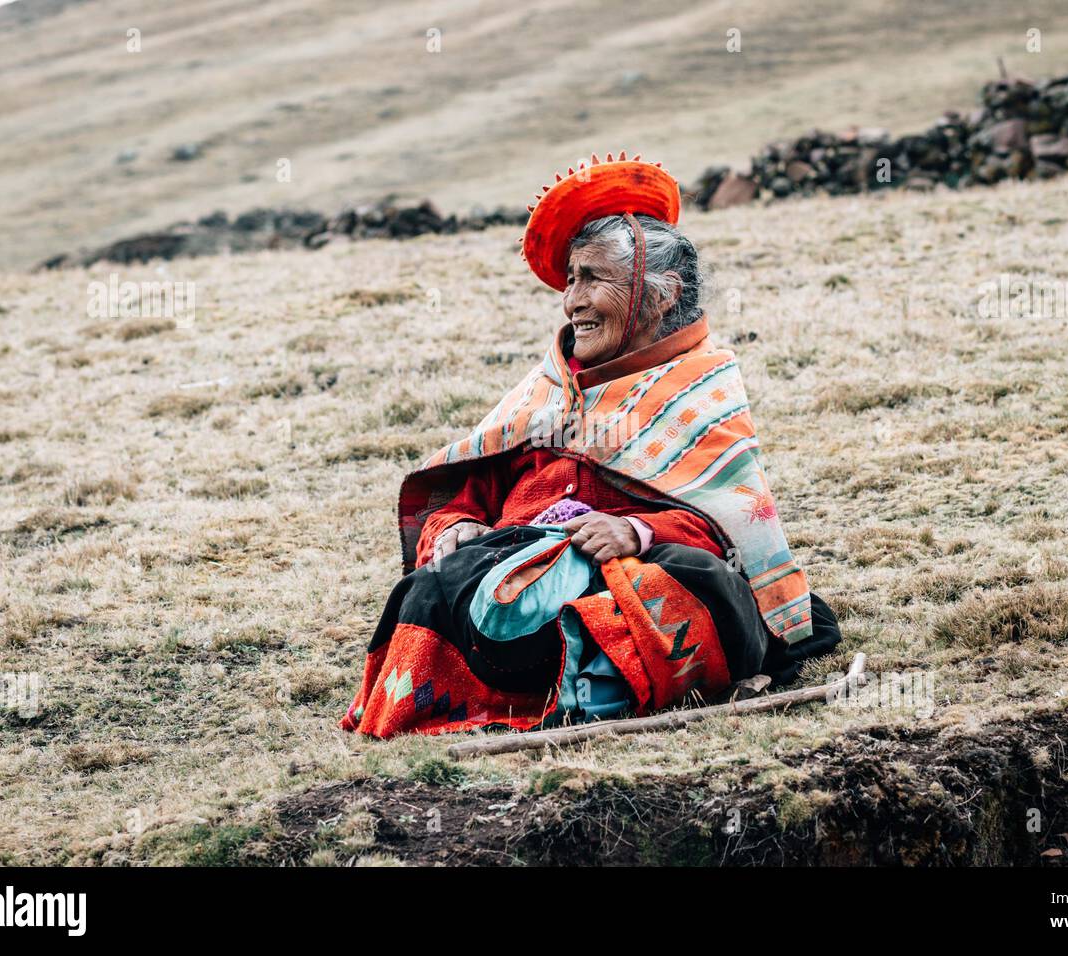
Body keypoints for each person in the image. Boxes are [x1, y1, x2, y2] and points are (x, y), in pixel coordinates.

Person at [343, 152, 840, 739]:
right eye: (570, 278)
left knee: (686, 582)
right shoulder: (547, 390)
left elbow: (731, 521)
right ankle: (557, 690)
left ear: (660, 295)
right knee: (431, 590)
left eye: (591, 279)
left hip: (623, 572)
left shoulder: (699, 388)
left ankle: (580, 688)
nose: (571, 300)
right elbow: (471, 492)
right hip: (515, 576)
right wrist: (453, 525)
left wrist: (637, 532)